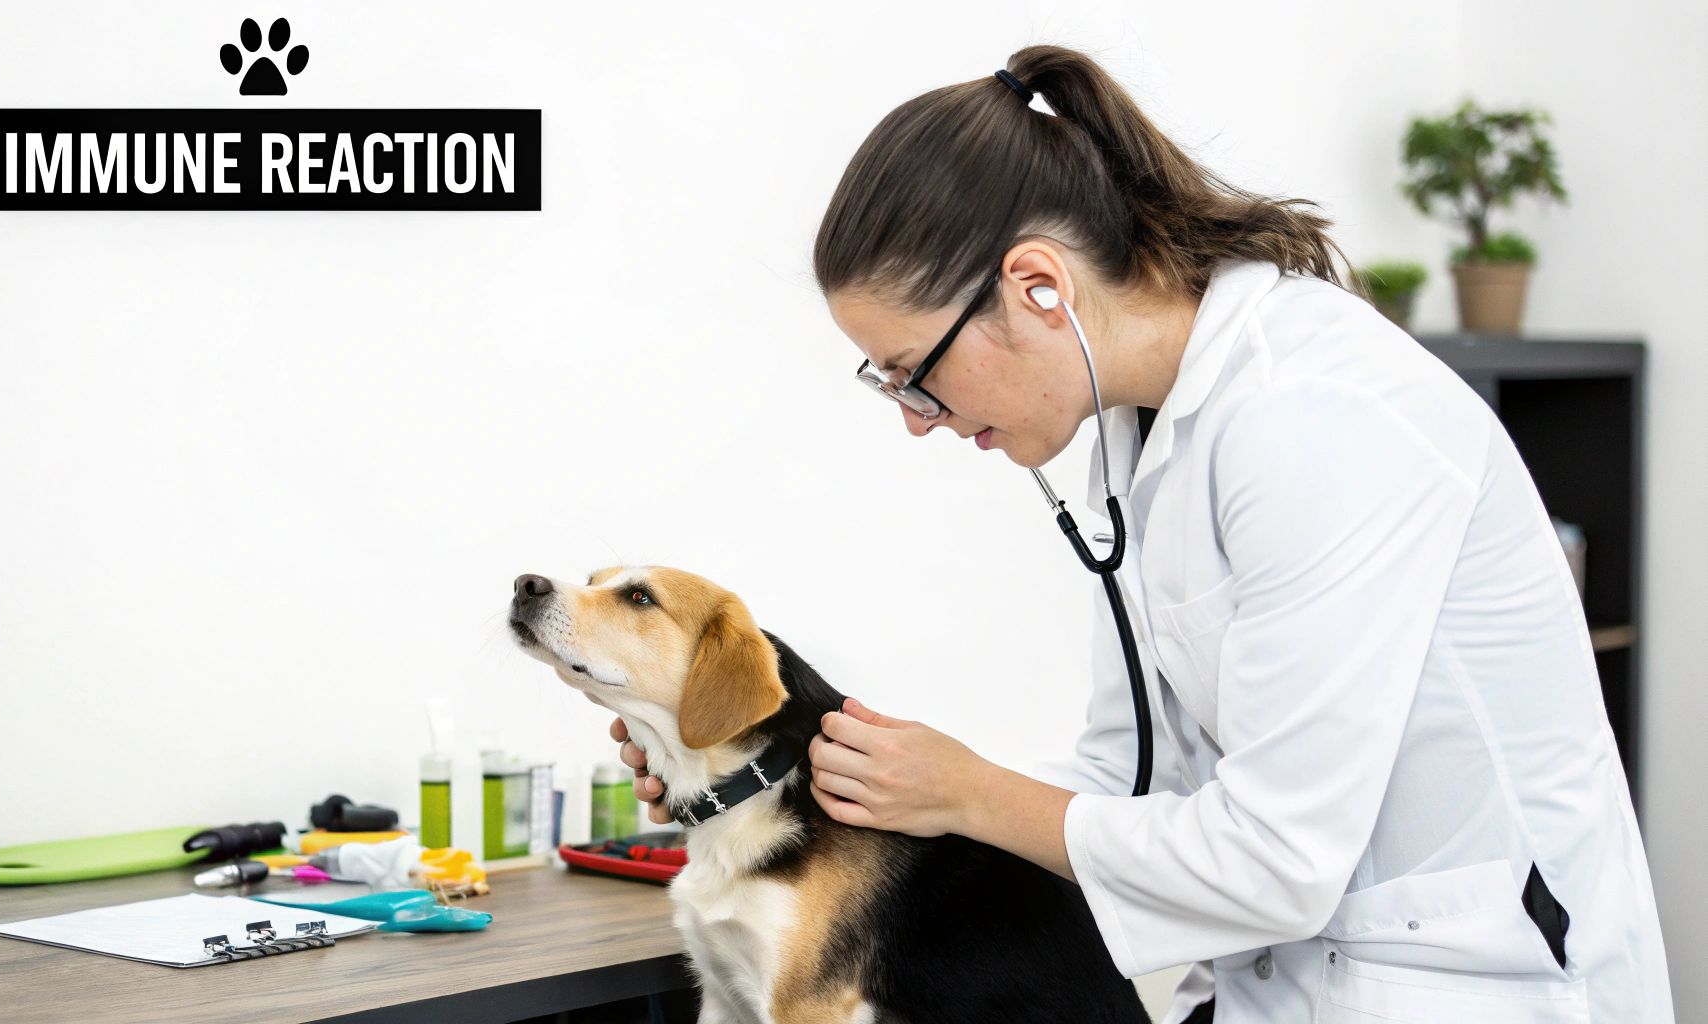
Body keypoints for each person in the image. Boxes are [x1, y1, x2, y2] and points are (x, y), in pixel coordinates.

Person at [614, 44, 1671, 1022]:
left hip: (1478, 985)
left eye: (914, 372)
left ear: (1036, 285)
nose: (911, 416)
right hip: (1299, 979)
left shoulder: (1320, 418)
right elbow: (1127, 781)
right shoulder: (1138, 429)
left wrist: (968, 790)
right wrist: (755, 784)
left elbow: (1273, 859)